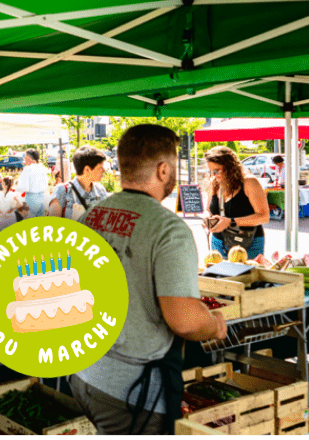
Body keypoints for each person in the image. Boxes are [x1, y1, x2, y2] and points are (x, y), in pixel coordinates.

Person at [72, 124, 227, 435]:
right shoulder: (167, 228)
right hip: (134, 391)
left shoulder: (92, 215)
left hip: (84, 374)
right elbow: (184, 321)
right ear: (163, 169)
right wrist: (215, 325)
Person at [205, 146, 269, 259]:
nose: (213, 175)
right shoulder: (214, 182)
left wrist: (231, 222)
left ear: (230, 167)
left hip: (248, 243)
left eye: (216, 171)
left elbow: (264, 217)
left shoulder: (249, 182)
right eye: (210, 171)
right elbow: (208, 209)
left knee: (248, 271)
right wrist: (207, 220)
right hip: (218, 242)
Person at [48, 146, 107, 220]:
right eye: (100, 168)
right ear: (87, 169)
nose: (104, 170)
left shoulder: (100, 190)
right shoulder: (63, 191)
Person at [15, 148, 49, 218]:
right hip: (42, 197)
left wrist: (16, 187)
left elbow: (23, 187)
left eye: (25, 156)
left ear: (28, 157)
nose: (24, 158)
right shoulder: (42, 168)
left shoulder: (28, 168)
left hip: (32, 198)